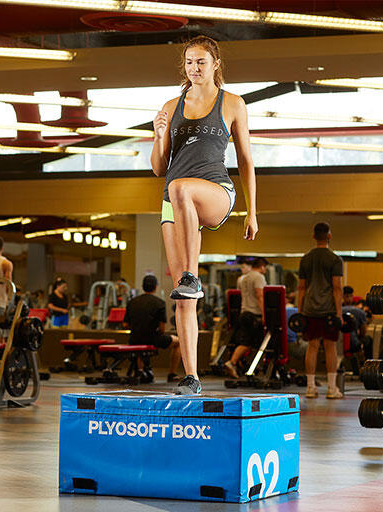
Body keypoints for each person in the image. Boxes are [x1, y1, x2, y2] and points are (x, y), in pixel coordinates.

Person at [150, 35, 257, 394]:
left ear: (215, 64)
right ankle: (192, 377)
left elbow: (245, 160)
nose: (194, 68)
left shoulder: (232, 104)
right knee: (183, 298)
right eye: (189, 63)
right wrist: (159, 136)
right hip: (174, 201)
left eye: (201, 62)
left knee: (181, 187)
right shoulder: (170, 105)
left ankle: (191, 275)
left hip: (215, 193)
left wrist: (252, 211)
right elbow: (157, 168)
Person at [297, 222, 344, 399]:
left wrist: (300, 312)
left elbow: (301, 288)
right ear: (329, 236)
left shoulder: (305, 259)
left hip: (310, 309)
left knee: (312, 346)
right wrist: (339, 313)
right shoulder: (334, 259)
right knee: (331, 347)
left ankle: (310, 388)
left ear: (314, 236)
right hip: (328, 309)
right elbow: (337, 288)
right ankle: (332, 389)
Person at [123, 274, 182, 382]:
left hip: (134, 339)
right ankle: (172, 374)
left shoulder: (132, 302)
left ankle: (140, 370)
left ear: (142, 286)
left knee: (138, 342)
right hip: (152, 338)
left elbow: (125, 325)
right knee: (178, 342)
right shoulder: (159, 303)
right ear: (155, 287)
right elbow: (162, 329)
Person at [224, 257, 268, 379]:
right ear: (262, 266)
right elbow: (260, 296)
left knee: (246, 342)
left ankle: (240, 364)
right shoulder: (259, 277)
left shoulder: (243, 278)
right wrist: (265, 314)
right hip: (254, 315)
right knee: (255, 344)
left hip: (244, 313)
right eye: (265, 268)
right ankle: (233, 362)